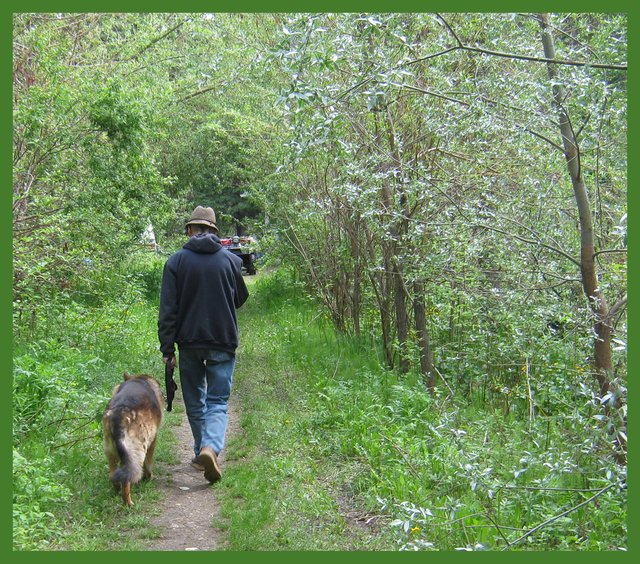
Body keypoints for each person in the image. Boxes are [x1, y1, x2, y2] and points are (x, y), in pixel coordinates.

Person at [158, 205, 249, 483]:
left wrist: (167, 348)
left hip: (188, 343)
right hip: (222, 340)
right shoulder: (231, 262)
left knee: (195, 399)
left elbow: (168, 310)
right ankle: (211, 447)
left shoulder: (175, 262)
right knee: (218, 400)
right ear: (213, 232)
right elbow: (240, 298)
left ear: (189, 230)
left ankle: (201, 450)